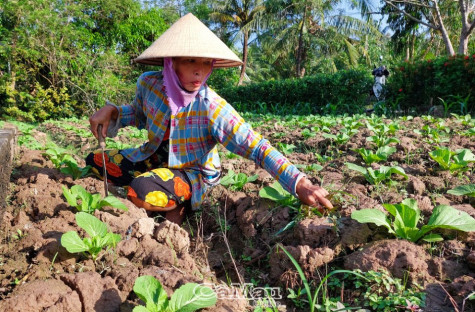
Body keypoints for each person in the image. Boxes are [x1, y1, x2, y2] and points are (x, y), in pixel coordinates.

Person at [87, 13, 333, 225]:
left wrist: (299, 183)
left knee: (141, 192)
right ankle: (155, 191)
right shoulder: (149, 84)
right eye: (191, 60)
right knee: (96, 161)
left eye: (206, 63)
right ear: (171, 62)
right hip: (154, 158)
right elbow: (139, 114)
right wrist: (114, 112)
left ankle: (178, 203)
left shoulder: (211, 107)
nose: (200, 71)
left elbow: (257, 147)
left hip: (191, 171)